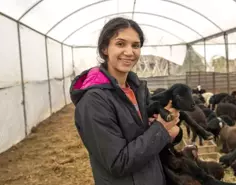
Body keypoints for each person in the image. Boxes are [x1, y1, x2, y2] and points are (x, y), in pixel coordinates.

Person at [69, 17, 182, 185]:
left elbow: (145, 138)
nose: (130, 52)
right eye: (120, 44)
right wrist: (161, 129)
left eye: (135, 45)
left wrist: (171, 131)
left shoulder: (137, 90)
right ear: (105, 48)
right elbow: (118, 162)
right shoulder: (93, 102)